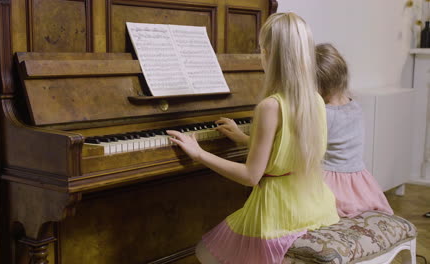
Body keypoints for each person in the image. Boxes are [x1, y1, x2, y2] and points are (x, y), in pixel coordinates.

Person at [166, 13, 339, 264]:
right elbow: (287, 148)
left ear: (268, 53)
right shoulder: (315, 99)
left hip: (277, 218)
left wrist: (199, 153)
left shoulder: (270, 106)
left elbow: (250, 176)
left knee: (205, 252)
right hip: (315, 207)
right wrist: (243, 138)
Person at [315, 43, 393, 218]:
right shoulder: (355, 105)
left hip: (331, 184)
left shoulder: (324, 113)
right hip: (358, 183)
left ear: (319, 85)